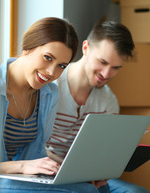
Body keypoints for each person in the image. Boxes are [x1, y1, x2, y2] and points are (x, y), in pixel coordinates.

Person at [0, 17, 104, 193]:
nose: (51, 72)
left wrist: (77, 172)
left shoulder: (49, 93)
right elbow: (25, 165)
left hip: (20, 176)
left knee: (100, 187)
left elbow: (38, 153)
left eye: (61, 65)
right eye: (47, 58)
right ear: (27, 47)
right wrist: (22, 166)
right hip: (0, 178)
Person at [46, 21, 149, 193]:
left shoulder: (108, 102)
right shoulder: (52, 86)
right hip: (48, 170)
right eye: (102, 62)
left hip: (86, 175)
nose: (106, 74)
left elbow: (103, 153)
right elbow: (31, 145)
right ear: (86, 48)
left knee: (136, 192)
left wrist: (102, 172)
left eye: (116, 68)